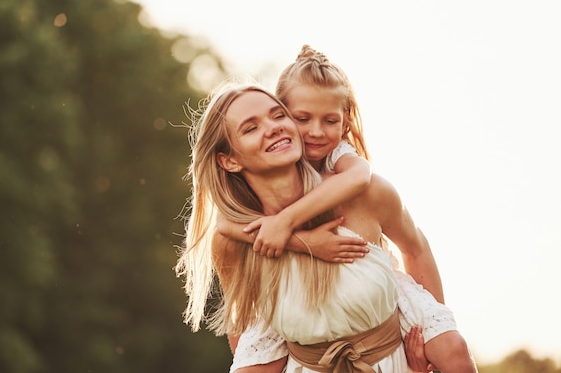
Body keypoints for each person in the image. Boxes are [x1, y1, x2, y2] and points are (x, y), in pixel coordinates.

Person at [219, 46, 478, 372]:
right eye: (302, 118)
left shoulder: (351, 171)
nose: (315, 131)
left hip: (382, 321)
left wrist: (427, 335)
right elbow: (225, 231)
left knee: (452, 348)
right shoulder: (247, 206)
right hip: (307, 345)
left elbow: (364, 182)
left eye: (329, 121)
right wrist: (306, 242)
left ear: (344, 123)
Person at [176, 81, 448, 372]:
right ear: (229, 160)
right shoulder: (232, 238)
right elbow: (244, 330)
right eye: (251, 128)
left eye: (278, 115)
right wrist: (305, 243)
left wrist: (429, 345)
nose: (273, 127)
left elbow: (416, 251)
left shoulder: (367, 194)